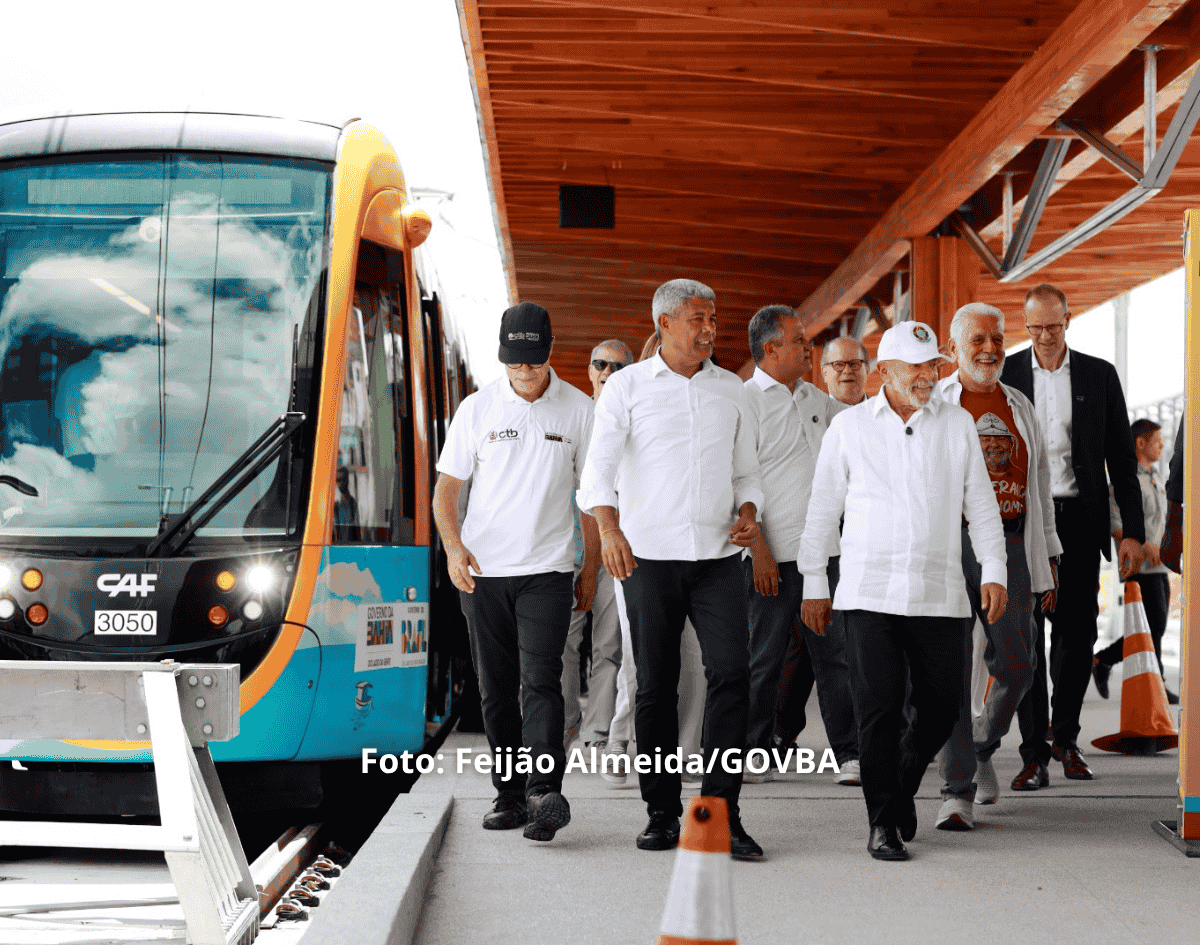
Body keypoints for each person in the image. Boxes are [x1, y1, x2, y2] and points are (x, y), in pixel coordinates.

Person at [799, 320, 1008, 862]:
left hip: (939, 592)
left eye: (933, 366)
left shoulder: (958, 423)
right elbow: (823, 508)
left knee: (941, 710)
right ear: (884, 371)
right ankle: (881, 823)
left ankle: (898, 789)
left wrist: (994, 568)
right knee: (879, 712)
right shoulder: (848, 429)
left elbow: (981, 503)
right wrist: (815, 581)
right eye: (915, 367)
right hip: (868, 593)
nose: (927, 376)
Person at [578, 278, 766, 861]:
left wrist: (750, 515)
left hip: (717, 559)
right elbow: (597, 476)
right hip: (647, 558)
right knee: (655, 685)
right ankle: (660, 813)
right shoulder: (627, 388)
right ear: (663, 323)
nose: (710, 329)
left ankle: (719, 814)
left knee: (733, 677)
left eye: (713, 319)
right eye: (698, 319)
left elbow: (747, 475)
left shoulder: (733, 390)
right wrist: (609, 530)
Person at [431, 302, 596, 843]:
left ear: (550, 352)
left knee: (541, 681)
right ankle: (508, 795)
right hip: (483, 573)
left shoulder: (579, 409)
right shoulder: (476, 410)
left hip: (548, 569)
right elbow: (446, 492)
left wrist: (590, 567)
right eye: (514, 362)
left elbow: (592, 498)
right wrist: (454, 550)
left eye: (533, 360)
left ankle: (544, 793)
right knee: (496, 689)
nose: (524, 372)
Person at [1001, 284, 1144, 786]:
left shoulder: (1098, 375)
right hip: (1021, 522)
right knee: (1025, 637)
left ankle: (1065, 739)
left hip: (1080, 520)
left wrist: (1131, 532)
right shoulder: (1006, 373)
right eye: (1035, 327)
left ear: (1068, 320)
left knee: (1075, 634)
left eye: (1053, 327)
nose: (1044, 336)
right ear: (1025, 325)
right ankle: (1032, 752)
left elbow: (1123, 460)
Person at [933, 303, 1061, 829]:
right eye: (978, 340)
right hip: (949, 546)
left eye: (997, 338)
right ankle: (956, 789)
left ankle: (982, 745)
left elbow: (1042, 483)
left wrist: (1049, 553)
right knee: (950, 665)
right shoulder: (935, 404)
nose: (990, 349)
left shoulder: (1019, 405)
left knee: (1018, 662)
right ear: (954, 346)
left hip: (1010, 545)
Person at [740, 306, 857, 784]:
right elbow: (736, 482)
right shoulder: (742, 402)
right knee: (762, 658)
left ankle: (850, 754)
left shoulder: (816, 398)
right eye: (798, 341)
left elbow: (859, 427)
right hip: (768, 555)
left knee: (834, 655)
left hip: (823, 554)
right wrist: (760, 549)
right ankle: (752, 751)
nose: (807, 347)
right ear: (770, 349)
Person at [773, 335, 870, 764]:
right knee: (808, 641)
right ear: (823, 372)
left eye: (856, 363)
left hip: (870, 543)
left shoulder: (883, 415)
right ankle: (781, 731)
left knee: (861, 643)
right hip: (819, 545)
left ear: (869, 369)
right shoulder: (813, 416)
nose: (848, 371)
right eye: (838, 365)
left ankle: (871, 738)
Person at [561, 340, 633, 750]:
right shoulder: (574, 416)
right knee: (565, 648)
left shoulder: (636, 416)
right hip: (568, 552)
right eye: (600, 363)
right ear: (589, 370)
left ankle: (598, 732)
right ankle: (567, 726)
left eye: (618, 366)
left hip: (617, 554)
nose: (608, 371)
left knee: (610, 647)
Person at [1094, 418, 1179, 703]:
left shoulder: (1155, 477)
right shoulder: (1124, 480)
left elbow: (1161, 521)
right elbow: (1116, 525)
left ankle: (1103, 660)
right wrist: (1144, 545)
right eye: (1157, 441)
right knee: (1151, 626)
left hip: (1158, 564)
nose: (1162, 446)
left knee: (1156, 626)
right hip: (1138, 565)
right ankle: (1155, 682)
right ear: (1140, 443)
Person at [821, 336, 869, 406]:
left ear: (867, 370)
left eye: (854, 363)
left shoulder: (886, 415)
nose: (847, 371)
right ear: (825, 373)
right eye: (839, 364)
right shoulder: (808, 414)